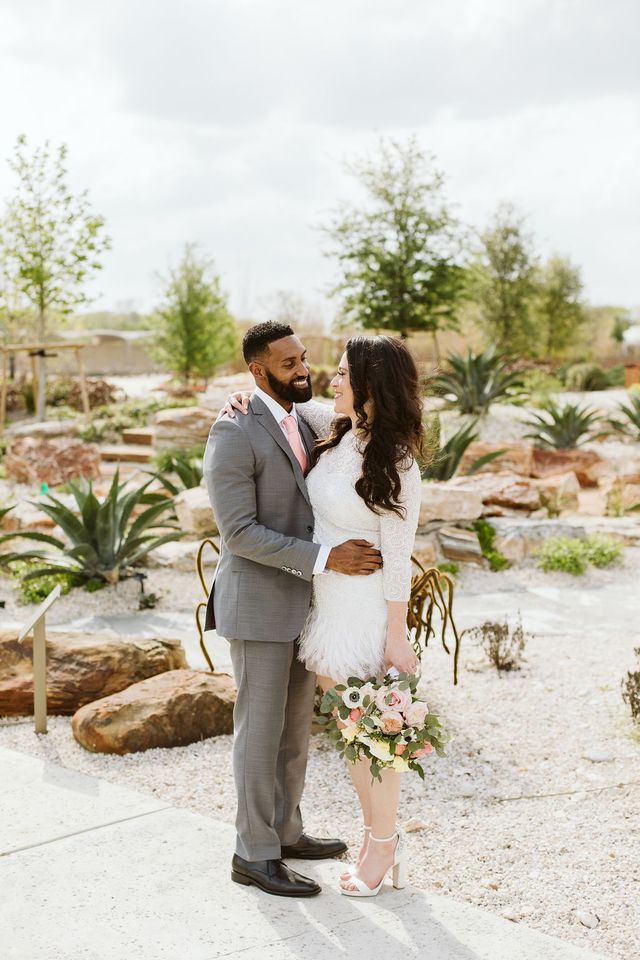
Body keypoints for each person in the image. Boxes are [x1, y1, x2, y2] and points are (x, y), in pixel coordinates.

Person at [224, 334, 423, 898]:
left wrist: (396, 634)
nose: (326, 379)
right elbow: (278, 403)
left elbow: (399, 558)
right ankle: (375, 839)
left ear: (369, 386)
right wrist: (241, 396)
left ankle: (384, 844)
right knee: (353, 736)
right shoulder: (336, 430)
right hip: (325, 607)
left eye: (340, 374)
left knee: (369, 738)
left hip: (361, 612)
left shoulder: (398, 463)